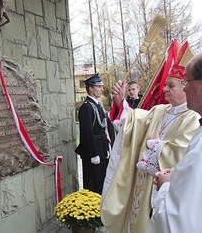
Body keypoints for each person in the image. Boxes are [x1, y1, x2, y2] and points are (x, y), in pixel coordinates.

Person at [101, 56, 200, 233]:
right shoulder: (159, 110)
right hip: (141, 187)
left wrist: (155, 146)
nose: (165, 89)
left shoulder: (193, 117)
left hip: (160, 191)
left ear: (185, 87)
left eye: (171, 86)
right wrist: (120, 101)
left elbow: (181, 155)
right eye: (165, 84)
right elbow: (133, 122)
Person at [147, 52, 202, 232]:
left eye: (186, 81)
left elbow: (180, 220)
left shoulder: (191, 119)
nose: (185, 89)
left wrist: (166, 186)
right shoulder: (161, 111)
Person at [75, 73, 115, 194]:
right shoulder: (87, 107)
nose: (102, 89)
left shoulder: (97, 105)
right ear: (91, 88)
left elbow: (104, 127)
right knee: (94, 184)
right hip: (94, 152)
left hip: (102, 150)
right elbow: (87, 132)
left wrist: (107, 149)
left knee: (103, 182)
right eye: (99, 86)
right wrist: (93, 153)